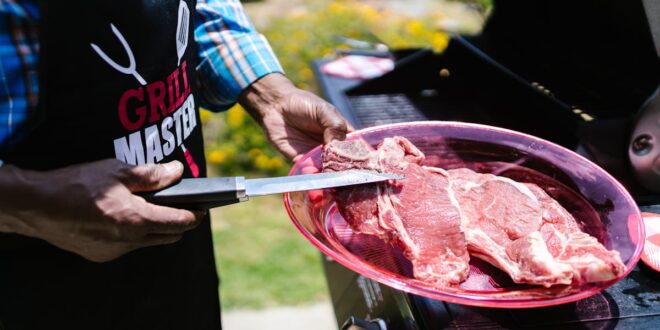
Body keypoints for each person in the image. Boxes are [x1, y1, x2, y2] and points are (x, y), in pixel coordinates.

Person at [0, 0, 349, 329]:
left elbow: (202, 10)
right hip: (38, 291)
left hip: (181, 276)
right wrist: (34, 202)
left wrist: (269, 94)